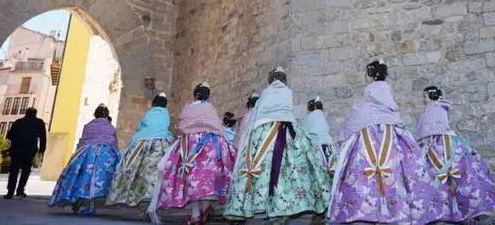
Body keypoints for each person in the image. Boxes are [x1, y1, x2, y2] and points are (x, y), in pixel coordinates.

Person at [329, 60, 441, 224]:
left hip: (364, 149)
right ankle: (399, 213)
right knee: (397, 180)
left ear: (369, 76)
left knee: (361, 183)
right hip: (393, 146)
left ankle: (364, 213)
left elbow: (348, 131)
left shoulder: (361, 110)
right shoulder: (392, 111)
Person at [225, 67, 331, 220]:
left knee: (263, 169)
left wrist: (248, 138)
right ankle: (286, 206)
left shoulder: (266, 92)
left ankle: (261, 205)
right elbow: (287, 111)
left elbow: (258, 114)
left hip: (264, 132)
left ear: (271, 79)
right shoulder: (287, 91)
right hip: (286, 130)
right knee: (289, 170)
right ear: (284, 79)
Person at [150, 83, 236, 225]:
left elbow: (181, 128)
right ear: (208, 95)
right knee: (209, 178)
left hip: (191, 145)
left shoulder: (188, 108)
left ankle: (196, 215)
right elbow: (219, 129)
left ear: (195, 94)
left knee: (191, 179)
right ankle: (206, 208)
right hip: (212, 145)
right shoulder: (210, 108)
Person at [416, 85, 495, 222]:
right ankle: (461, 210)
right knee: (458, 178)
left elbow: (427, 132)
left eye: (424, 96)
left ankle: (445, 212)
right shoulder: (442, 108)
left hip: (437, 147)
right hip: (450, 145)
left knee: (437, 178)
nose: (423, 100)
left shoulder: (432, 109)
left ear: (430, 97)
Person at [49, 104, 121, 214]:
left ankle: (78, 200)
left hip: (86, 154)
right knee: (99, 181)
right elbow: (113, 142)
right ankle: (91, 204)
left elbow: (83, 141)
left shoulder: (88, 126)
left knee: (82, 178)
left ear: (95, 114)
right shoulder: (110, 127)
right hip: (105, 156)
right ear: (107, 115)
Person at [106, 93, 174, 208]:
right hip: (161, 142)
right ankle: (152, 196)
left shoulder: (149, 113)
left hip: (142, 141)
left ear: (154, 103)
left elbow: (141, 127)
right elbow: (165, 127)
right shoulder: (165, 113)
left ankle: (127, 195)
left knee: (133, 167)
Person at [4, 107, 47, 199]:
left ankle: (10, 191)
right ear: (35, 114)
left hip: (16, 150)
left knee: (14, 171)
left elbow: (9, 135)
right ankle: (20, 190)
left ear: (26, 113)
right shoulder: (39, 122)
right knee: (26, 171)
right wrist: (42, 149)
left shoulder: (18, 122)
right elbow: (43, 137)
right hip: (30, 150)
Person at [301, 97, 335, 166]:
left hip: (315, 147)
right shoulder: (321, 116)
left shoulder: (310, 117)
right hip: (327, 146)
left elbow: (303, 131)